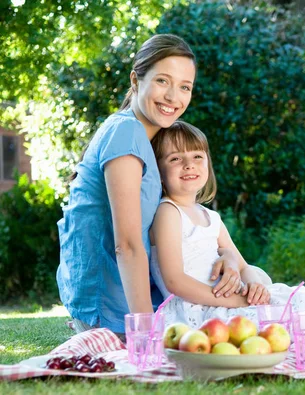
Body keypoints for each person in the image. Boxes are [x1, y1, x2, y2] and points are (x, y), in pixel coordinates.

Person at [56, 34, 240, 337]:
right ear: (135, 80)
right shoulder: (126, 133)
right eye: (162, 81)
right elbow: (126, 245)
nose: (173, 97)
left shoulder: (151, 139)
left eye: (185, 87)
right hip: (116, 312)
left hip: (142, 302)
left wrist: (230, 257)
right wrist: (146, 334)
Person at [149, 121, 305, 328]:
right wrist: (235, 302)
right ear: (158, 172)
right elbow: (175, 281)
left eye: (197, 156)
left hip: (229, 299)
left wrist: (253, 285)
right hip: (198, 308)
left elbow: (243, 266)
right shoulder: (168, 212)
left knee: (300, 302)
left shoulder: (211, 217)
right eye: (175, 158)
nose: (189, 164)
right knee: (276, 320)